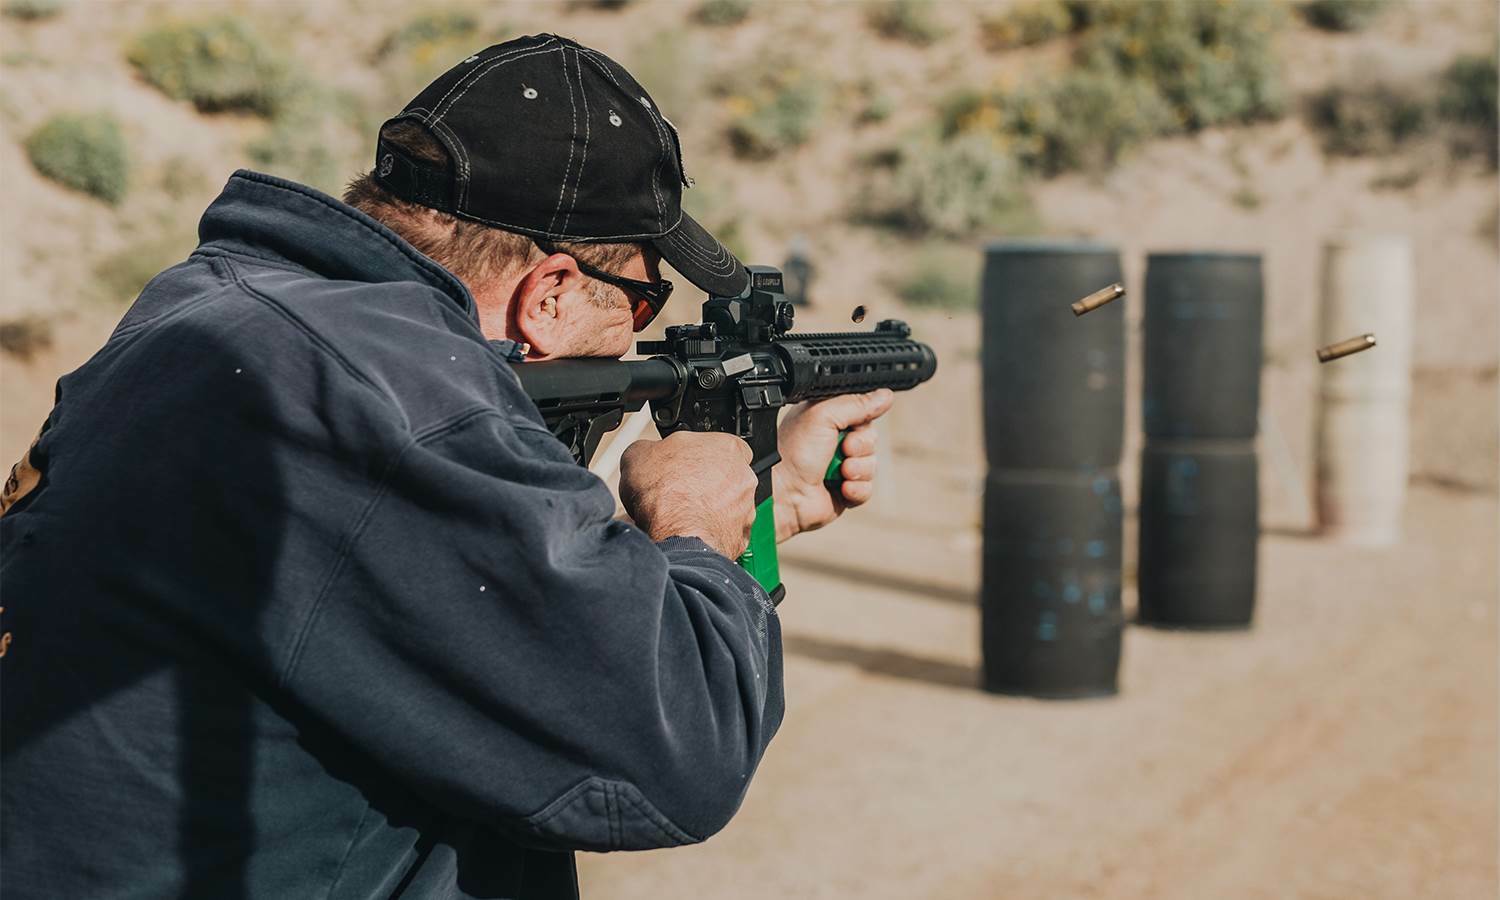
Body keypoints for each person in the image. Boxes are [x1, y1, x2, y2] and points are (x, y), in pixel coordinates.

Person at [0, 32, 894, 900]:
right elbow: (682, 752)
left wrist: (765, 507)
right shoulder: (399, 406)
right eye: (643, 296)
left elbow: (419, 585)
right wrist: (697, 521)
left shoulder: (225, 310)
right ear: (548, 294)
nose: (637, 334)